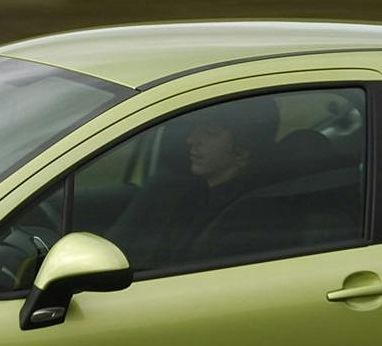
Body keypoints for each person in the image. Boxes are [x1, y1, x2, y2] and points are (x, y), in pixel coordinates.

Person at [108, 95, 279, 271]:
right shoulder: (171, 191)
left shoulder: (246, 218)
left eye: (210, 133)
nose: (191, 140)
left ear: (242, 152)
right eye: (194, 130)